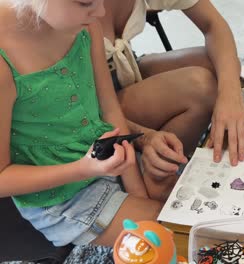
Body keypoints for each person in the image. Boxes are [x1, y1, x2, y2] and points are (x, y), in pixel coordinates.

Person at [0, 0, 165, 247]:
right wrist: (85, 168)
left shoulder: (87, 24)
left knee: (181, 204)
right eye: (86, 2)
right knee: (171, 235)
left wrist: (137, 191)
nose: (100, 11)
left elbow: (110, 110)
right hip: (60, 199)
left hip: (103, 158)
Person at [99, 0, 244, 201]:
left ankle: (168, 161)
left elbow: (213, 24)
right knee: (201, 86)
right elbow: (75, 107)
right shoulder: (62, 10)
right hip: (86, 98)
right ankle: (157, 170)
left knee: (217, 65)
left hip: (123, 67)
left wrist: (230, 96)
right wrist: (145, 136)